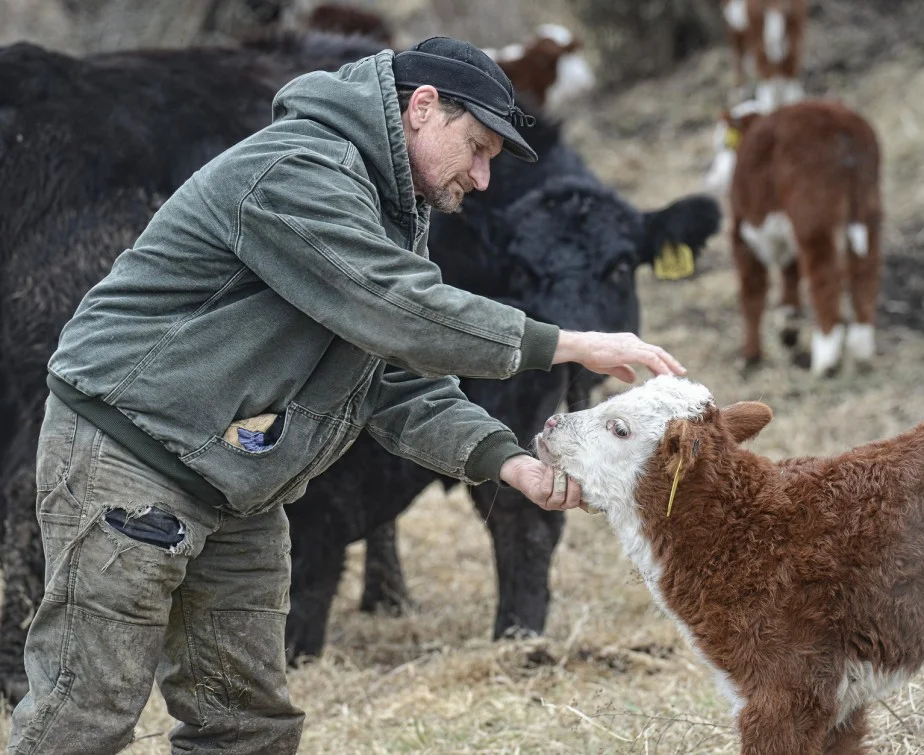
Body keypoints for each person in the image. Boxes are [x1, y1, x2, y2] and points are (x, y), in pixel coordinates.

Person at [7, 36, 686, 754]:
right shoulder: (300, 169)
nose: (484, 178)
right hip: (130, 458)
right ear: (422, 108)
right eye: (478, 147)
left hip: (232, 481)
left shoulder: (389, 208)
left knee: (246, 724)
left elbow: (388, 371)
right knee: (84, 715)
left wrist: (504, 462)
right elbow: (392, 308)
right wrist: (572, 343)